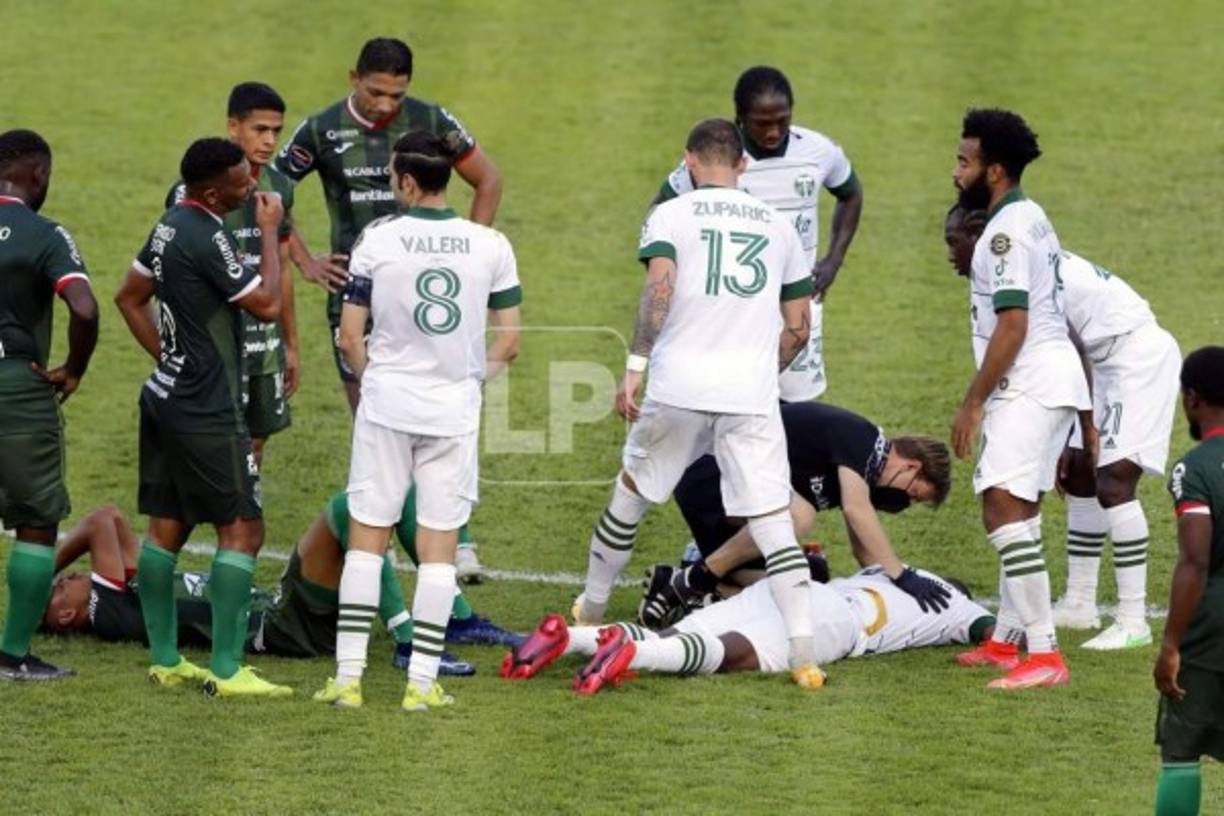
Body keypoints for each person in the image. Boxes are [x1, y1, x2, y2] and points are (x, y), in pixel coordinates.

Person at [574, 118, 825, 689]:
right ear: (742, 165)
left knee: (632, 495)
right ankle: (804, 652)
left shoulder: (672, 213)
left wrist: (635, 364)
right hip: (749, 394)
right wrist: (767, 370)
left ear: (689, 161)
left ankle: (590, 611)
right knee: (771, 522)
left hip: (679, 386)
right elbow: (799, 328)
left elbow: (658, 290)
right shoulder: (780, 227)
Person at [276, 36, 502, 583]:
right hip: (357, 297)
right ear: (354, 77)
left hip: (425, 298)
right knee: (375, 419)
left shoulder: (431, 119)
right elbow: (269, 188)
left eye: (396, 95)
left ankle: (458, 538)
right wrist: (304, 259)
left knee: (447, 414)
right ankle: (393, 533)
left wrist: (471, 251)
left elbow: (487, 180)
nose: (384, 105)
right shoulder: (321, 130)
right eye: (376, 92)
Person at [313, 130, 521, 712]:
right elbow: (509, 344)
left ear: (406, 181)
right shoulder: (490, 244)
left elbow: (350, 336)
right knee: (438, 549)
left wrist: (372, 374)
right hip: (451, 411)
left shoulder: (377, 240)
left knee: (366, 543)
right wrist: (466, 382)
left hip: (386, 406)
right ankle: (422, 686)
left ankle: (349, 681)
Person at [945, 207, 1181, 650]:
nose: (950, 254)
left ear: (980, 237)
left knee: (1113, 482)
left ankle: (1133, 620)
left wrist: (1087, 427)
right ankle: (1079, 602)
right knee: (1079, 476)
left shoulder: (1016, 265)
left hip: (1133, 356)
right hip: (1095, 362)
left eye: (954, 241)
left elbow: (1071, 343)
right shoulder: (1013, 261)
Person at [114, 138, 288, 697]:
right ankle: (229, 670)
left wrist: (165, 358)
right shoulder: (208, 232)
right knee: (243, 529)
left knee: (167, 527)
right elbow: (267, 304)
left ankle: (166, 660)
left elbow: (129, 295)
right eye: (242, 183)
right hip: (207, 405)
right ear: (213, 192)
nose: (253, 188)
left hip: (165, 396)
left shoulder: (170, 221)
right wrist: (268, 231)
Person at [947, 110, 1090, 691]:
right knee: (1021, 510)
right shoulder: (1030, 216)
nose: (956, 171)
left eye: (965, 160)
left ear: (995, 170)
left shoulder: (1004, 233)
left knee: (1001, 507)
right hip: (1051, 380)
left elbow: (1012, 325)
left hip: (1028, 381)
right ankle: (1009, 639)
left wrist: (973, 401)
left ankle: (1045, 654)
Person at [41, 500, 521, 669]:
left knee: (386, 498)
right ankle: (407, 640)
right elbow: (101, 521)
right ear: (67, 616)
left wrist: (40, 585)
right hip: (285, 626)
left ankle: (456, 621)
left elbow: (110, 519)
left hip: (283, 611)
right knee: (352, 509)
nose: (71, 576)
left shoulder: (121, 594)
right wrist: (42, 578)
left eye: (66, 576)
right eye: (62, 589)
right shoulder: (106, 611)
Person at [638, 402, 953, 628]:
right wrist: (902, 575)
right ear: (910, 466)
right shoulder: (863, 439)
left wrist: (894, 593)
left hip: (730, 506)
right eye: (912, 494)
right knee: (799, 515)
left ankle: (682, 586)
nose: (903, 504)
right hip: (707, 473)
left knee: (809, 578)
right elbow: (859, 511)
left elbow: (863, 552)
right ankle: (697, 580)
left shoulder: (860, 472)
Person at [653, 66, 863, 402]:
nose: (773, 131)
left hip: (798, 306)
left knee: (796, 408)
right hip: (735, 310)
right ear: (739, 118)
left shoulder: (818, 152)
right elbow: (659, 214)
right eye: (762, 123)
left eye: (782, 119)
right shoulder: (718, 162)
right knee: (728, 401)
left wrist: (833, 261)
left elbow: (851, 193)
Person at [504, 565, 993, 695]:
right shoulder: (957, 607)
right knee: (732, 655)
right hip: (835, 624)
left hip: (791, 587)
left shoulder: (892, 570)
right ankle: (632, 655)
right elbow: (991, 630)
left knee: (678, 636)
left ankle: (571, 637)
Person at [0, 129, 99, 681]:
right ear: (37, 174)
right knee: (36, 521)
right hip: (16, 386)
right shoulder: (45, 234)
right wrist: (74, 368)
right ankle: (12, 656)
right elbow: (83, 309)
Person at [167, 83, 299, 470]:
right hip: (213, 342)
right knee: (208, 444)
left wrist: (290, 344)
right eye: (260, 129)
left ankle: (244, 515)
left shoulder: (280, 188)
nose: (270, 140)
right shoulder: (191, 192)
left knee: (256, 441)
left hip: (263, 344)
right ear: (232, 126)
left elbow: (285, 267)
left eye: (276, 131)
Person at [1151, 347, 1224, 816]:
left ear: (1192, 399)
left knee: (1181, 752)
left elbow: (1194, 561)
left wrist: (1171, 645)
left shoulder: (1194, 468)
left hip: (1210, 633)